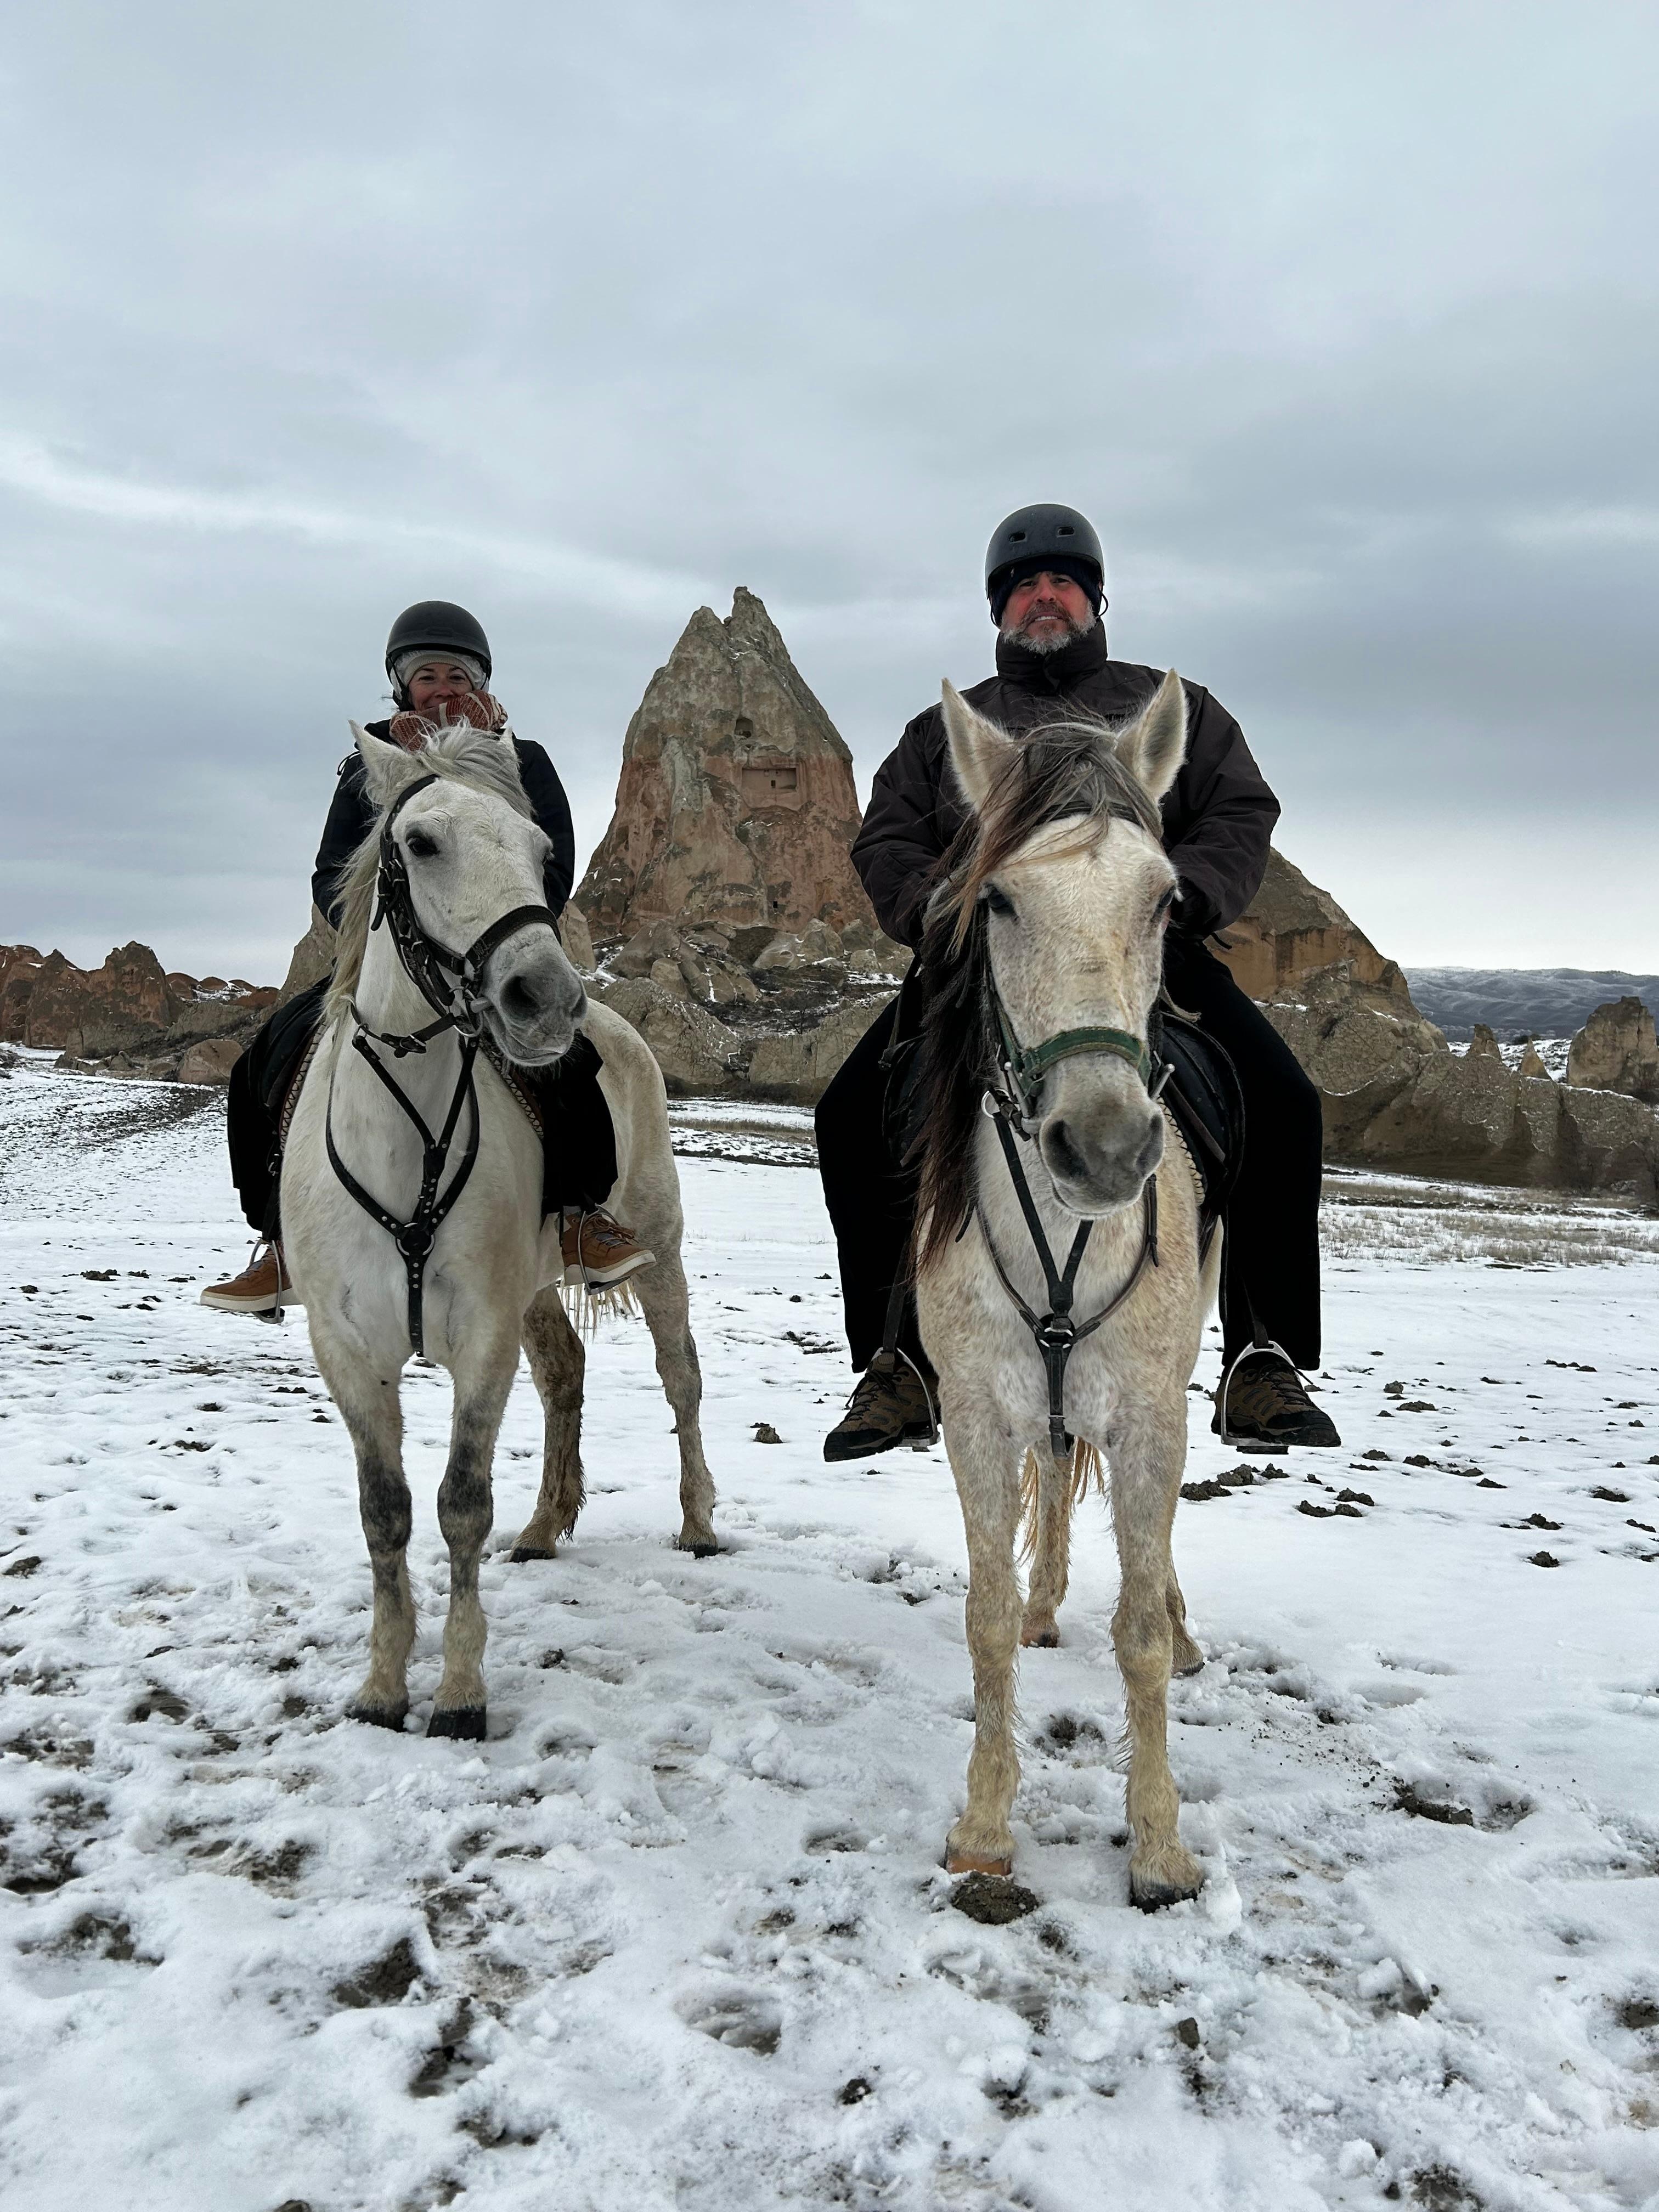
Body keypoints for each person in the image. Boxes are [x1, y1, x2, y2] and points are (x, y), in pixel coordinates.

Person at [815, 504, 1340, 1457]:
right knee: (851, 1117)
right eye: (1025, 586)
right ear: (999, 610)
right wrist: (946, 911)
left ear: (1094, 600)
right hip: (985, 959)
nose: (1044, 597)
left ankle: (1260, 1353)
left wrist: (1182, 896)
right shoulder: (943, 735)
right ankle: (898, 1362)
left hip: (1147, 951)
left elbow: (1239, 812)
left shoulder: (1173, 709)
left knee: (1282, 1102)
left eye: (1063, 581)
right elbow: (887, 838)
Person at [200, 600, 653, 1314]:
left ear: (479, 683)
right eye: (428, 676)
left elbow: (552, 858)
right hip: (393, 952)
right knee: (265, 1059)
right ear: (403, 686)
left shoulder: (523, 761)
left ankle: (578, 1217)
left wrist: (505, 935)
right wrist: (378, 931)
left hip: (493, 951)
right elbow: (332, 870)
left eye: (456, 676)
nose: (442, 689)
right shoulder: (371, 764)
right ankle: (280, 1241)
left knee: (571, 1060)